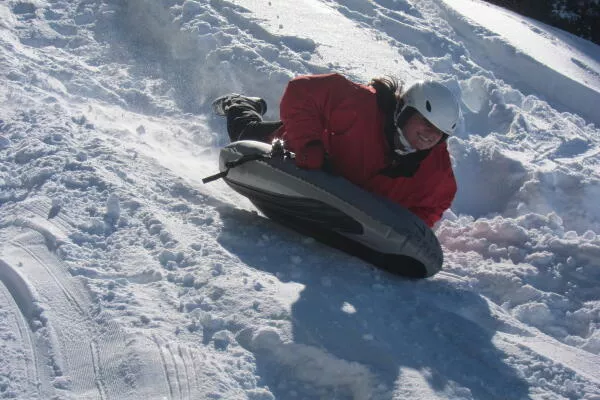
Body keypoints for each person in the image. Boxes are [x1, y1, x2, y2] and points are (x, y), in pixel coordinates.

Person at [212, 73, 460, 227]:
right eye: (425, 122)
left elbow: (434, 205)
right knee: (246, 132)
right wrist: (308, 144)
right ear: (405, 110)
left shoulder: (435, 169)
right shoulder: (361, 104)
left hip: (343, 197)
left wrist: (401, 227)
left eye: (439, 132)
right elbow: (301, 90)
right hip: (297, 149)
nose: (431, 135)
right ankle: (240, 104)